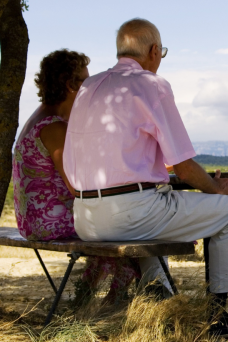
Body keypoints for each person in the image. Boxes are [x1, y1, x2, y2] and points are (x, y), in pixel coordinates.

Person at [64, 19, 228, 335]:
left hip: (85, 218)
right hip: (131, 213)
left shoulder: (89, 87)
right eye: (161, 51)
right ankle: (215, 319)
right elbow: (184, 167)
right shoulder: (152, 85)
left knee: (148, 226)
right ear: (154, 51)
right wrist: (217, 188)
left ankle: (166, 311)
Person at [12, 50, 140, 305]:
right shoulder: (54, 127)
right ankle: (113, 303)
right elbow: (76, 186)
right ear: (71, 85)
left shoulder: (39, 118)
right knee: (126, 222)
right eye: (86, 81)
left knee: (113, 220)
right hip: (50, 223)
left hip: (31, 220)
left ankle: (85, 299)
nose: (90, 88)